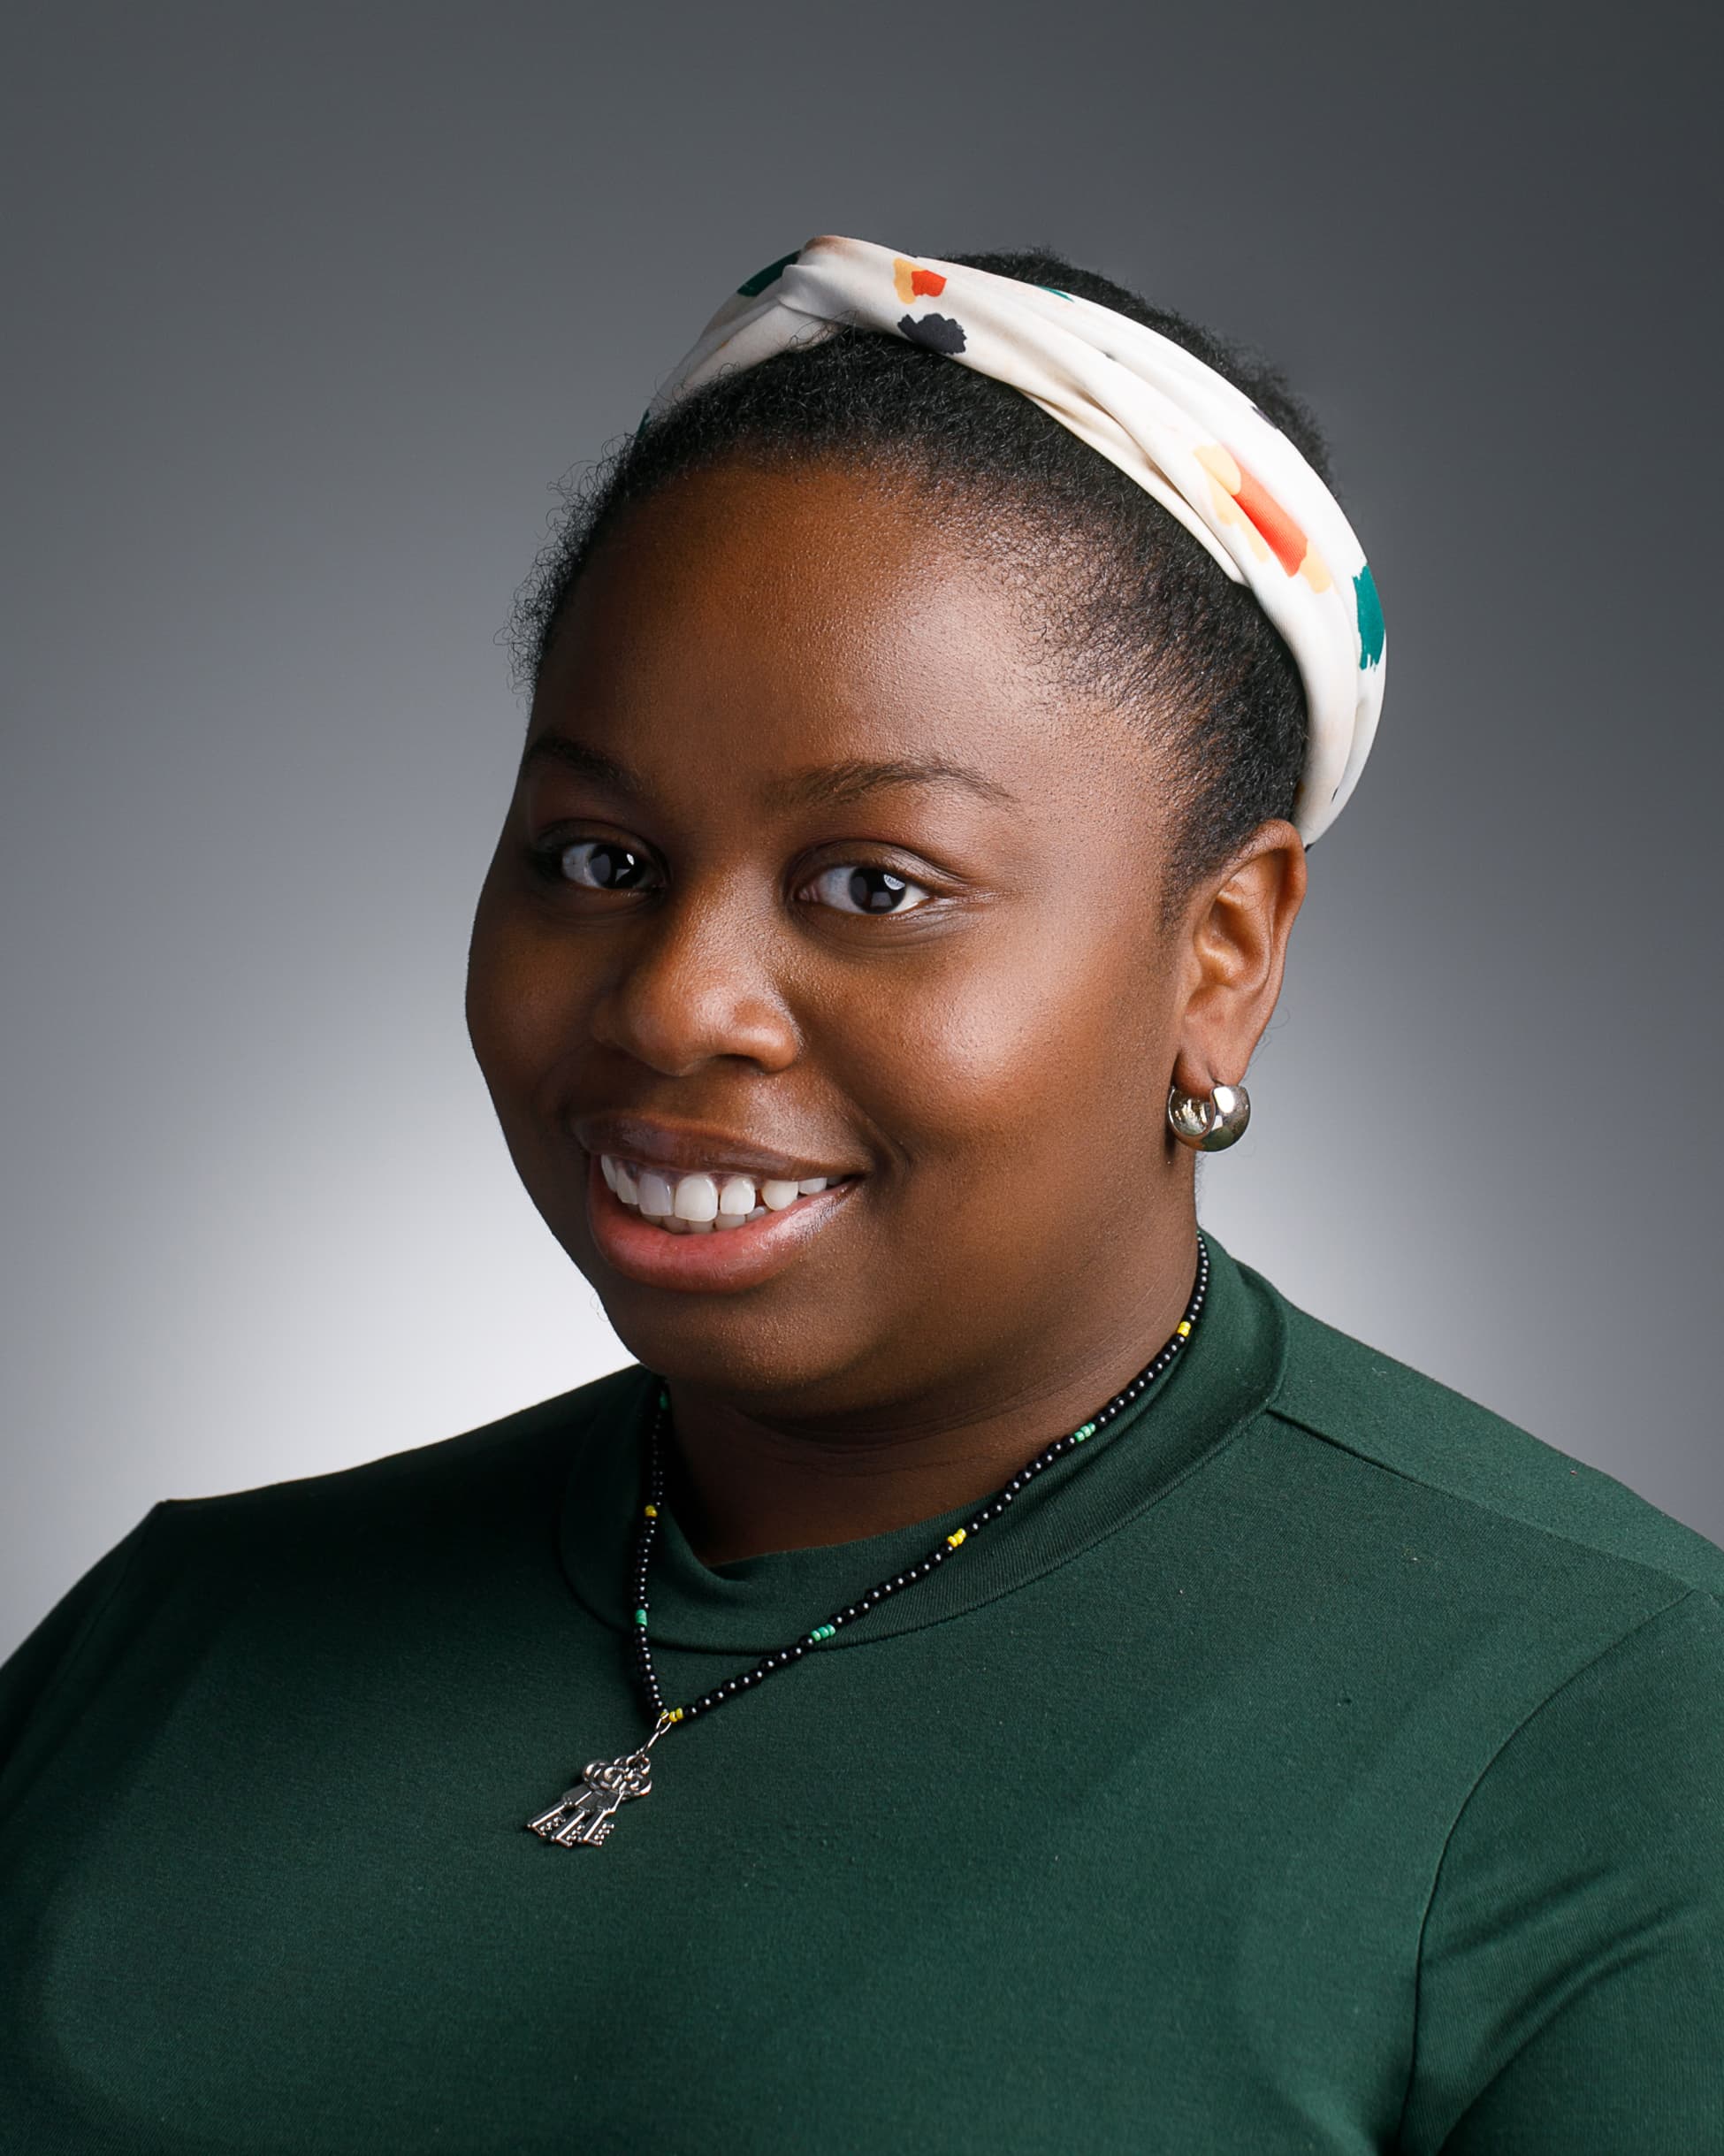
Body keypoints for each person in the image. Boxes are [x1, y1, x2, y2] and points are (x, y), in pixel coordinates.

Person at [1, 237, 1720, 2154]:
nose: (676, 1003)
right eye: (598, 856)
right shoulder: (182, 1636)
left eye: (873, 884)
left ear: (1221, 954)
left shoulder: (1614, 1731)